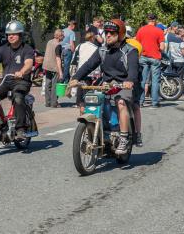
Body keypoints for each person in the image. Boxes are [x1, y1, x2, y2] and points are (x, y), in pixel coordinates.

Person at [69, 19, 142, 152]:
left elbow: (133, 69)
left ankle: (124, 138)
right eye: (106, 32)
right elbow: (88, 65)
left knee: (120, 102)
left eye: (112, 33)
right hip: (106, 84)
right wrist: (75, 78)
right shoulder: (102, 50)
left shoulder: (130, 51)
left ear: (120, 34)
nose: (107, 35)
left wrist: (130, 80)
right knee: (92, 100)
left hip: (124, 84)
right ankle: (99, 131)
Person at [135, 13, 165, 108]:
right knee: (155, 80)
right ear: (155, 20)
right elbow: (162, 47)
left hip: (143, 57)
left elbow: (137, 45)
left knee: (142, 80)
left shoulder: (141, 30)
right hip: (155, 58)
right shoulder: (159, 31)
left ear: (147, 19)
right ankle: (155, 102)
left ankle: (140, 101)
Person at [70, 32, 99, 113]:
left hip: (80, 73)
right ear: (92, 38)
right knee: (89, 94)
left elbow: (74, 60)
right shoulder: (96, 48)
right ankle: (88, 112)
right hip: (91, 74)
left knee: (80, 93)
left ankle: (82, 112)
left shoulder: (79, 46)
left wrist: (73, 74)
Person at [42, 29, 64, 108]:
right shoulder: (58, 45)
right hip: (54, 67)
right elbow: (58, 58)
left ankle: (47, 102)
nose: (64, 37)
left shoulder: (49, 42)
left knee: (48, 84)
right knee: (55, 85)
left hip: (46, 65)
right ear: (60, 36)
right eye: (63, 35)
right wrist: (60, 72)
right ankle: (54, 103)